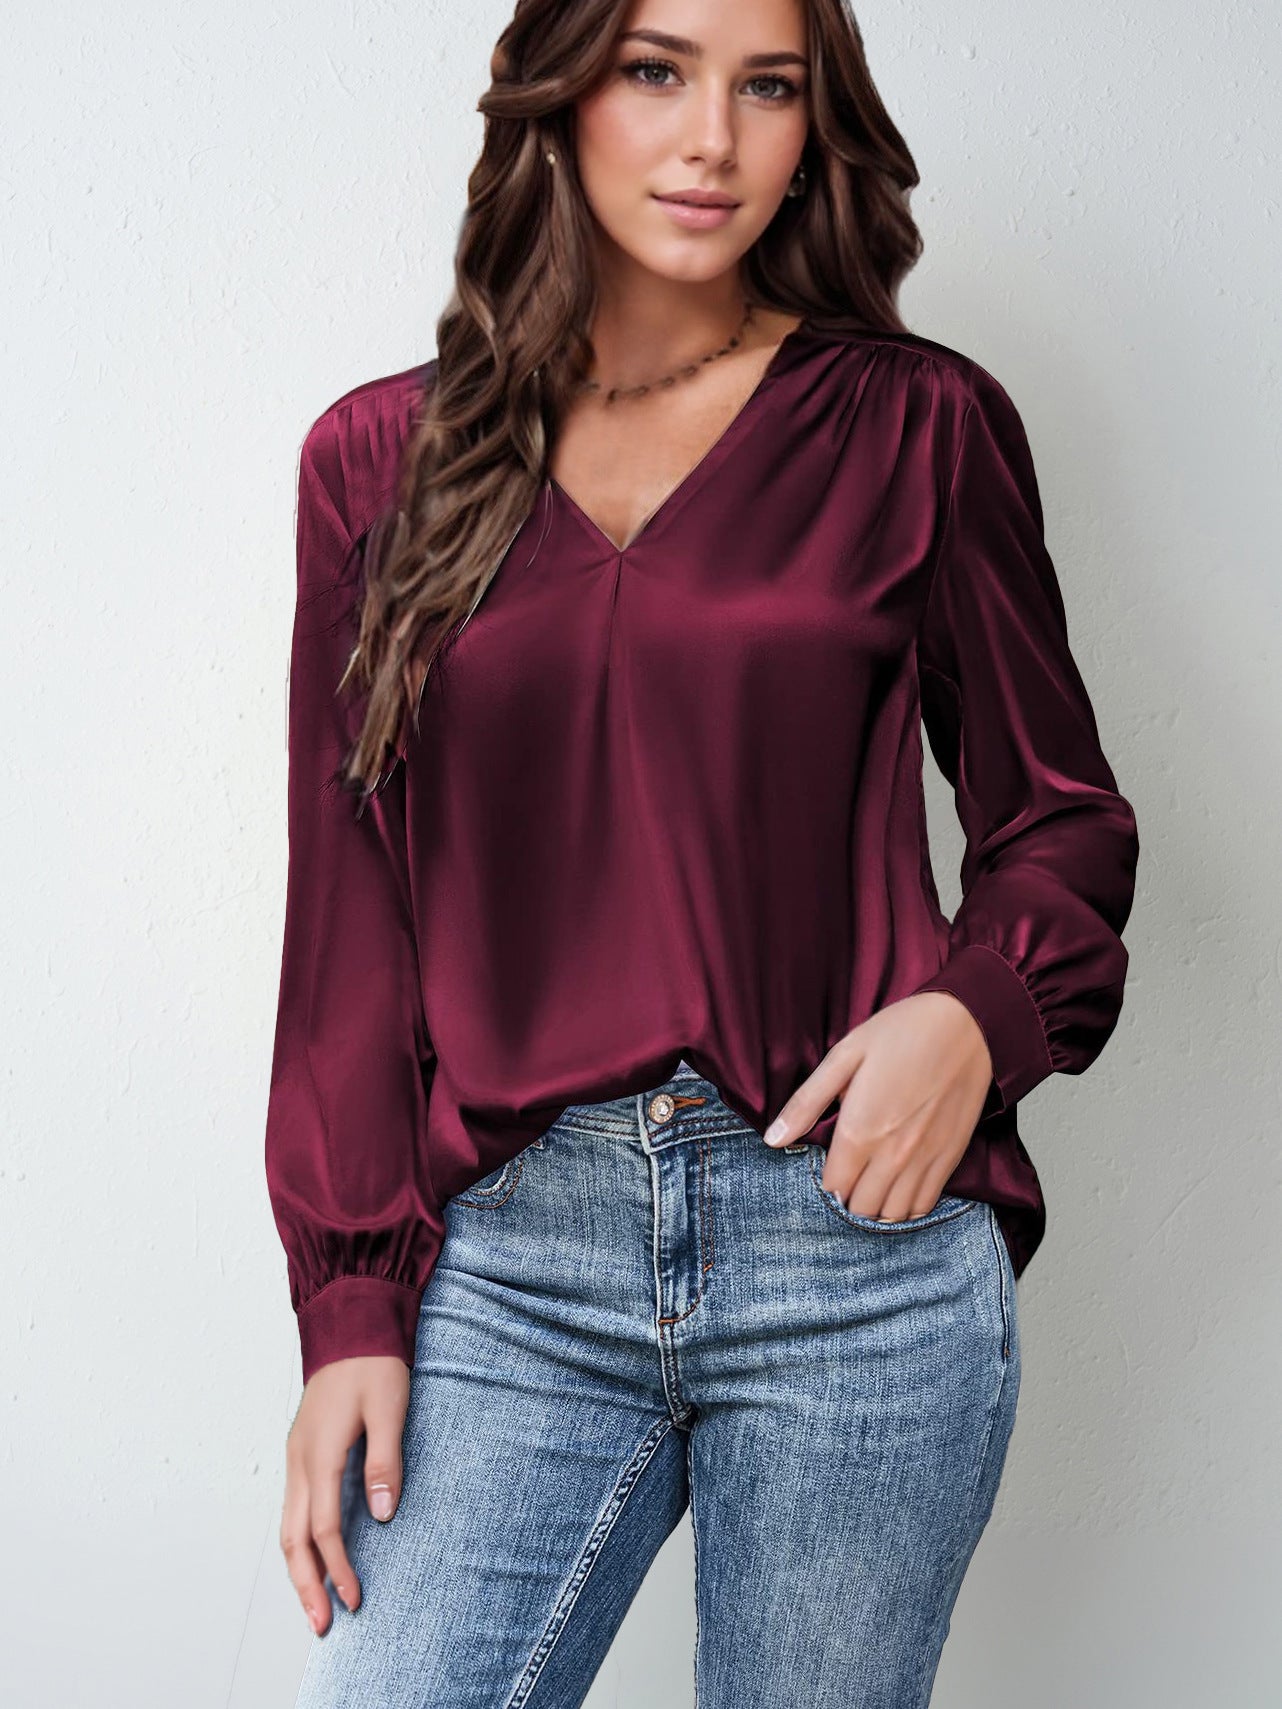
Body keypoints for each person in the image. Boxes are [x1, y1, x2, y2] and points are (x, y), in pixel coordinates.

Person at [265, 0, 1141, 1703]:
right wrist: (348, 1303)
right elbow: (349, 917)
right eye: (655, 71)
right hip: (511, 1259)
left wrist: (974, 1018)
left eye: (768, 88)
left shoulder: (917, 427)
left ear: (815, 129)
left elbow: (1058, 817)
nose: (711, 140)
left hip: (854, 1242)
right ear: (555, 91)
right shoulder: (377, 461)